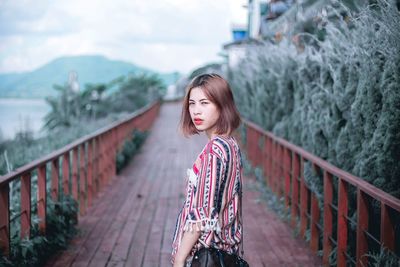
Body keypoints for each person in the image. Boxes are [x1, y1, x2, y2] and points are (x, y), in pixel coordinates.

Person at [171, 73, 244, 267]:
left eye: (205, 103)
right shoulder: (230, 144)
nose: (196, 111)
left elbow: (202, 214)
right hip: (226, 250)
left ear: (222, 105)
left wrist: (179, 259)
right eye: (192, 103)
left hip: (206, 254)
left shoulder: (214, 151)